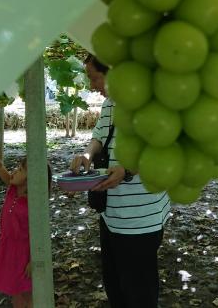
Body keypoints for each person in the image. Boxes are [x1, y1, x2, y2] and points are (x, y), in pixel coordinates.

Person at [70, 55, 171, 308]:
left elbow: (161, 151)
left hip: (141, 219)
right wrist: (87, 155)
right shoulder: (110, 103)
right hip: (111, 215)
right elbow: (100, 136)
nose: (93, 85)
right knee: (115, 285)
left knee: (139, 292)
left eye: (95, 77)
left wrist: (126, 171)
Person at [0, 131, 52, 308]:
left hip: (25, 251)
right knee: (15, 290)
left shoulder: (35, 203)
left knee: (28, 292)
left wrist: (33, 259)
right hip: (8, 247)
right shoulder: (12, 187)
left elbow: (40, 232)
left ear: (31, 178)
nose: (14, 170)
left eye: (21, 169)